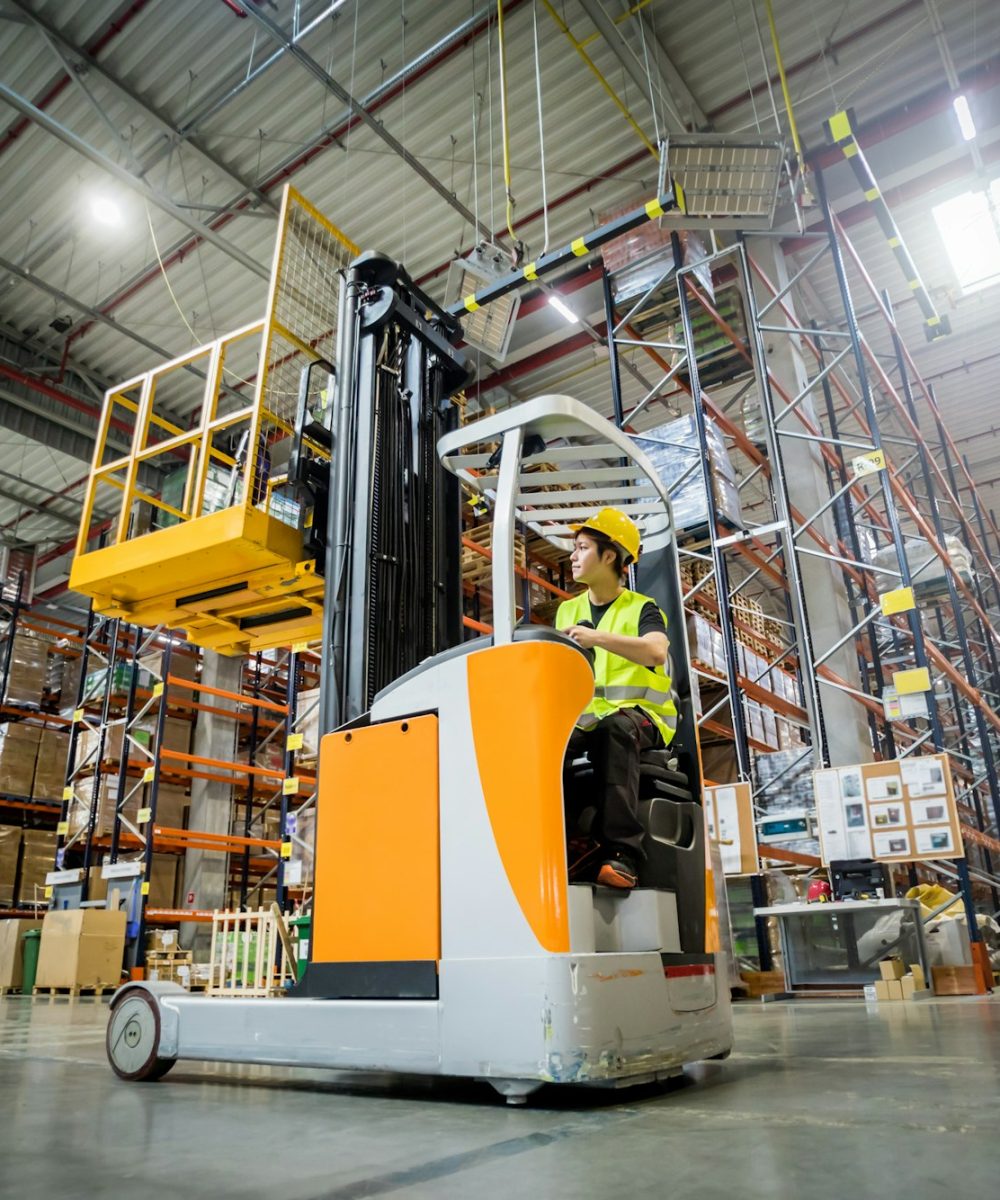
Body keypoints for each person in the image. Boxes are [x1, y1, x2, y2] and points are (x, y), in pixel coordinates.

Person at [556, 507, 677, 889]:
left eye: (581, 547)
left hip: (644, 719)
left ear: (609, 556)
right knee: (542, 745)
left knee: (616, 729)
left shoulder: (642, 608)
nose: (573, 556)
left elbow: (656, 652)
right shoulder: (567, 610)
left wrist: (595, 638)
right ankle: (557, 841)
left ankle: (622, 855)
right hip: (587, 719)